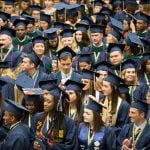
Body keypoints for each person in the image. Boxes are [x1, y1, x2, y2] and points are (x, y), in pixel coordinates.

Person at [33, 82, 77, 150]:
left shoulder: (68, 122)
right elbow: (31, 136)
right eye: (44, 101)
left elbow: (71, 146)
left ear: (57, 104)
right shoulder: (38, 117)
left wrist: (52, 146)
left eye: (48, 102)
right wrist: (34, 144)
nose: (45, 104)